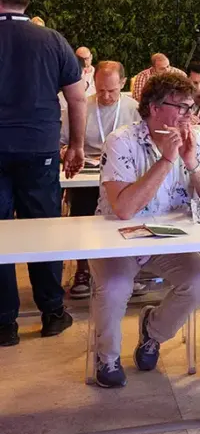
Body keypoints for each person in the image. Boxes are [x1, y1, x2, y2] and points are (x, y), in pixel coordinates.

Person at [89, 72, 200, 387]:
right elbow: (124, 209)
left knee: (199, 281)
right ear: (153, 108)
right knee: (115, 287)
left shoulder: (194, 140)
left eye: (191, 107)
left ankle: (153, 332)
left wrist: (191, 163)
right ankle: (107, 357)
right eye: (181, 107)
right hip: (118, 237)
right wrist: (166, 159)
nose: (188, 115)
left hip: (167, 238)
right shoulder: (121, 141)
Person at [0, 0, 84, 346]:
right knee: (43, 231)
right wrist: (76, 145)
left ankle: (4, 324)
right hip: (40, 149)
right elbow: (77, 97)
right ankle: (52, 313)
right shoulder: (52, 40)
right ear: (27, 1)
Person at [60, 60, 141, 297]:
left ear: (123, 83)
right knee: (82, 212)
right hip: (87, 172)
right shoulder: (81, 107)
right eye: (101, 89)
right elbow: (61, 143)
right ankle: (83, 269)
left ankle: (128, 268)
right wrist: (68, 152)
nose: (105, 96)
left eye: (112, 90)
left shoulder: (134, 108)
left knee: (127, 210)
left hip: (124, 173)